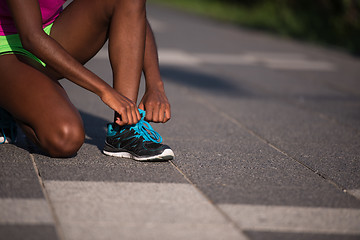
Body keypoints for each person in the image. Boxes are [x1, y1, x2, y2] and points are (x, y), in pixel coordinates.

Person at [0, 0, 174, 161]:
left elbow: (132, 9)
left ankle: (125, 130)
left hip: (51, 32)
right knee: (65, 138)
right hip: (8, 44)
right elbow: (31, 38)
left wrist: (155, 85)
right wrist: (104, 91)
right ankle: (9, 101)